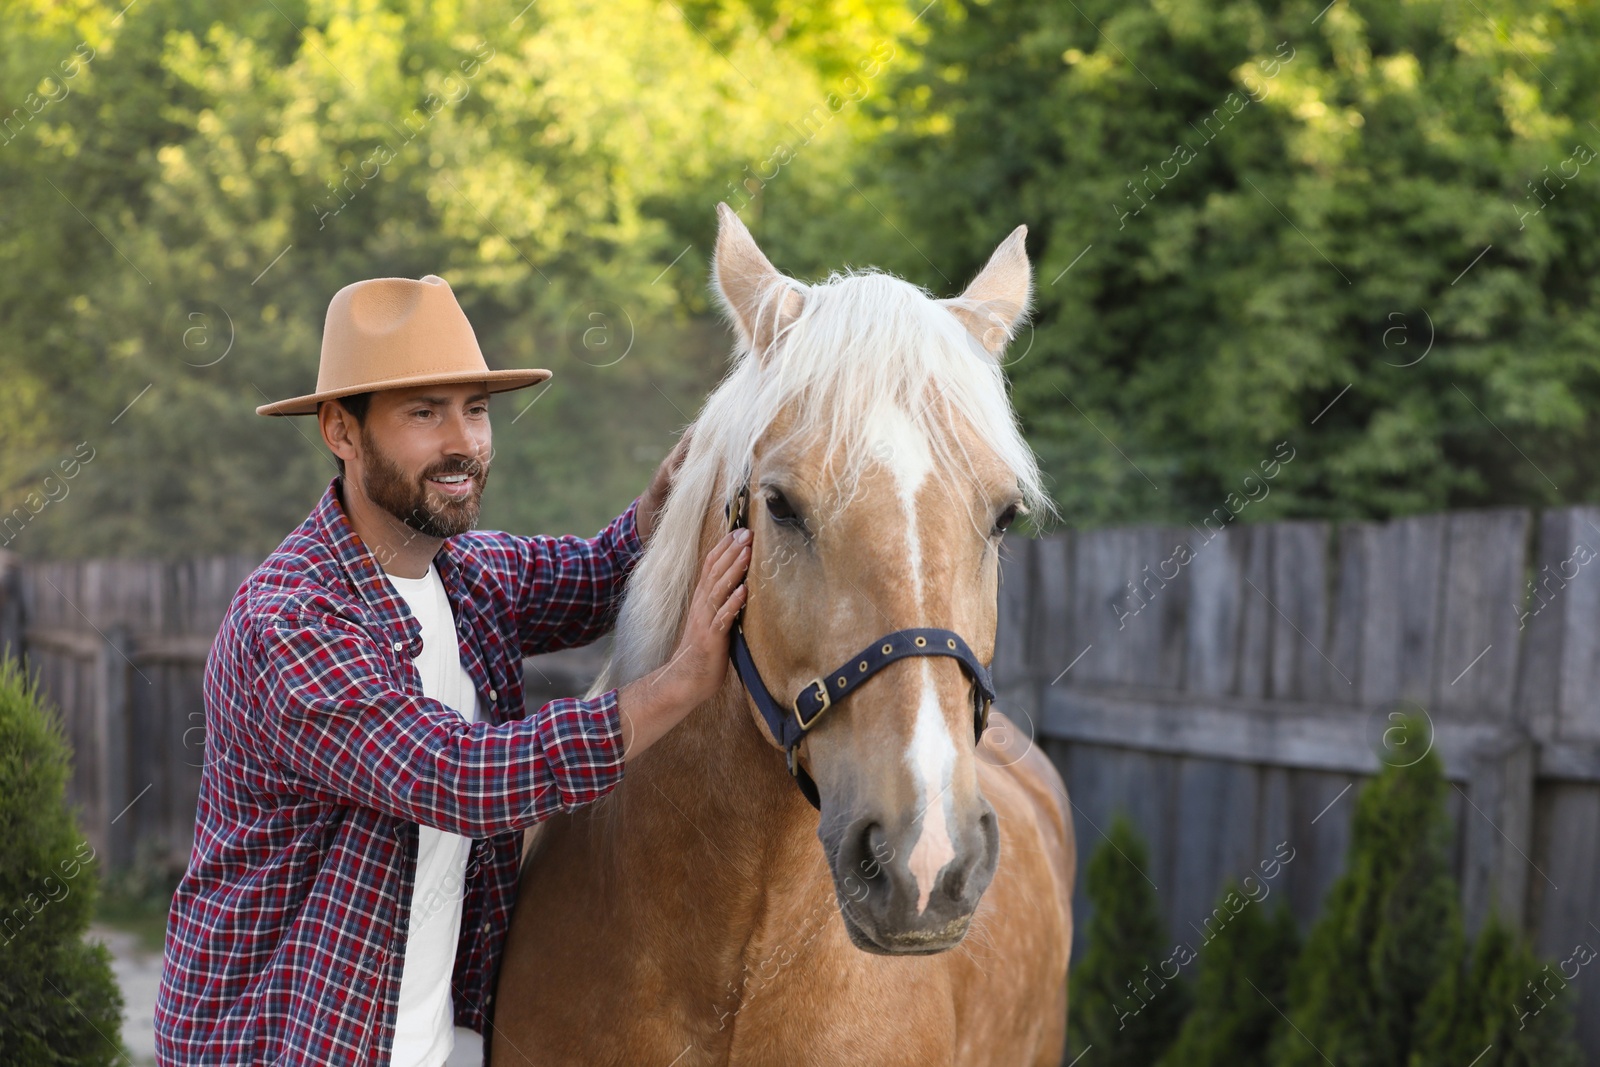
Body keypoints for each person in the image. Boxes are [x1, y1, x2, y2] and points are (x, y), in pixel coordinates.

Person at [153, 274, 750, 1066]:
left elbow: (599, 572)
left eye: (475, 408)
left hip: (438, 1044)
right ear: (341, 429)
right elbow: (456, 776)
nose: (463, 441)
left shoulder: (466, 576)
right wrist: (676, 685)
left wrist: (673, 494)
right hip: (288, 1042)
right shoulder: (293, 620)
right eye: (424, 412)